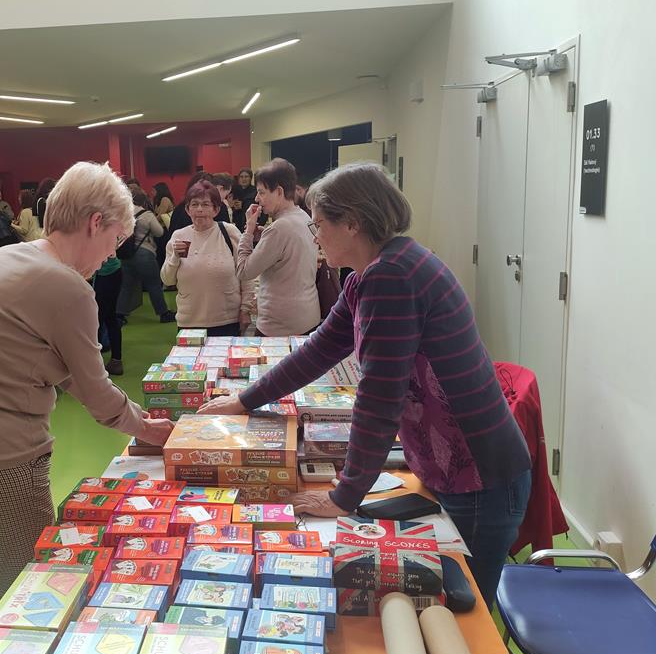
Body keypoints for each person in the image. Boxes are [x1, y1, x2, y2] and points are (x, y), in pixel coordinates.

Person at [200, 162, 531, 609]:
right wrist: (243, 400)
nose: (315, 236)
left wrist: (344, 495)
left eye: (320, 225)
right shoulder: (367, 275)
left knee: (463, 610)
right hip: (455, 464)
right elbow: (318, 351)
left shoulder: (391, 277)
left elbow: (378, 395)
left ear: (352, 223)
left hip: (478, 477)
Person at [0, 161, 175, 654]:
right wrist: (147, 427)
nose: (110, 258)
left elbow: (52, 368)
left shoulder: (7, 257)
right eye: (114, 242)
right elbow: (96, 391)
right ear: (95, 223)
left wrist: (136, 420)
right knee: (17, 582)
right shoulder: (67, 287)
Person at [234, 158, 319, 336]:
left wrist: (248, 231)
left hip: (280, 325)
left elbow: (244, 271)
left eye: (262, 192)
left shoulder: (279, 228)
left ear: (279, 192)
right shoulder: (303, 217)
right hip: (307, 315)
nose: (257, 199)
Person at [161, 181, 252, 336]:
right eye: (194, 204)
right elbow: (167, 280)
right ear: (187, 209)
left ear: (216, 209)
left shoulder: (229, 232)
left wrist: (246, 309)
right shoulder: (179, 236)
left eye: (205, 204)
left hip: (227, 321)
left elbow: (247, 275)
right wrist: (175, 257)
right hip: (189, 322)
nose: (199, 210)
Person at [117, 189, 174, 323]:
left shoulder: (123, 215)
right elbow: (159, 232)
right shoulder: (146, 214)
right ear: (144, 201)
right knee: (153, 284)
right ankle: (163, 313)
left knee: (126, 286)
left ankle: (120, 314)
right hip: (145, 252)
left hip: (126, 253)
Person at [167, 172, 228, 237]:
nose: (199, 209)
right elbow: (172, 240)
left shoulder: (220, 208)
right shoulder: (180, 209)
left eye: (205, 204)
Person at [93, 255, 124, 375]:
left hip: (103, 274)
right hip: (113, 271)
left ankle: (96, 366)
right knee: (110, 317)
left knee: (97, 321)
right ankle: (115, 360)